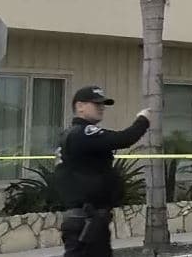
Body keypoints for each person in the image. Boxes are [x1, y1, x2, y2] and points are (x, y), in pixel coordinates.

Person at [55, 86, 151, 257]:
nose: (101, 107)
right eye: (95, 103)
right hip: (87, 220)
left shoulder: (71, 135)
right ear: (80, 106)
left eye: (103, 104)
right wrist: (143, 119)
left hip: (87, 219)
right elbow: (124, 139)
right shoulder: (83, 133)